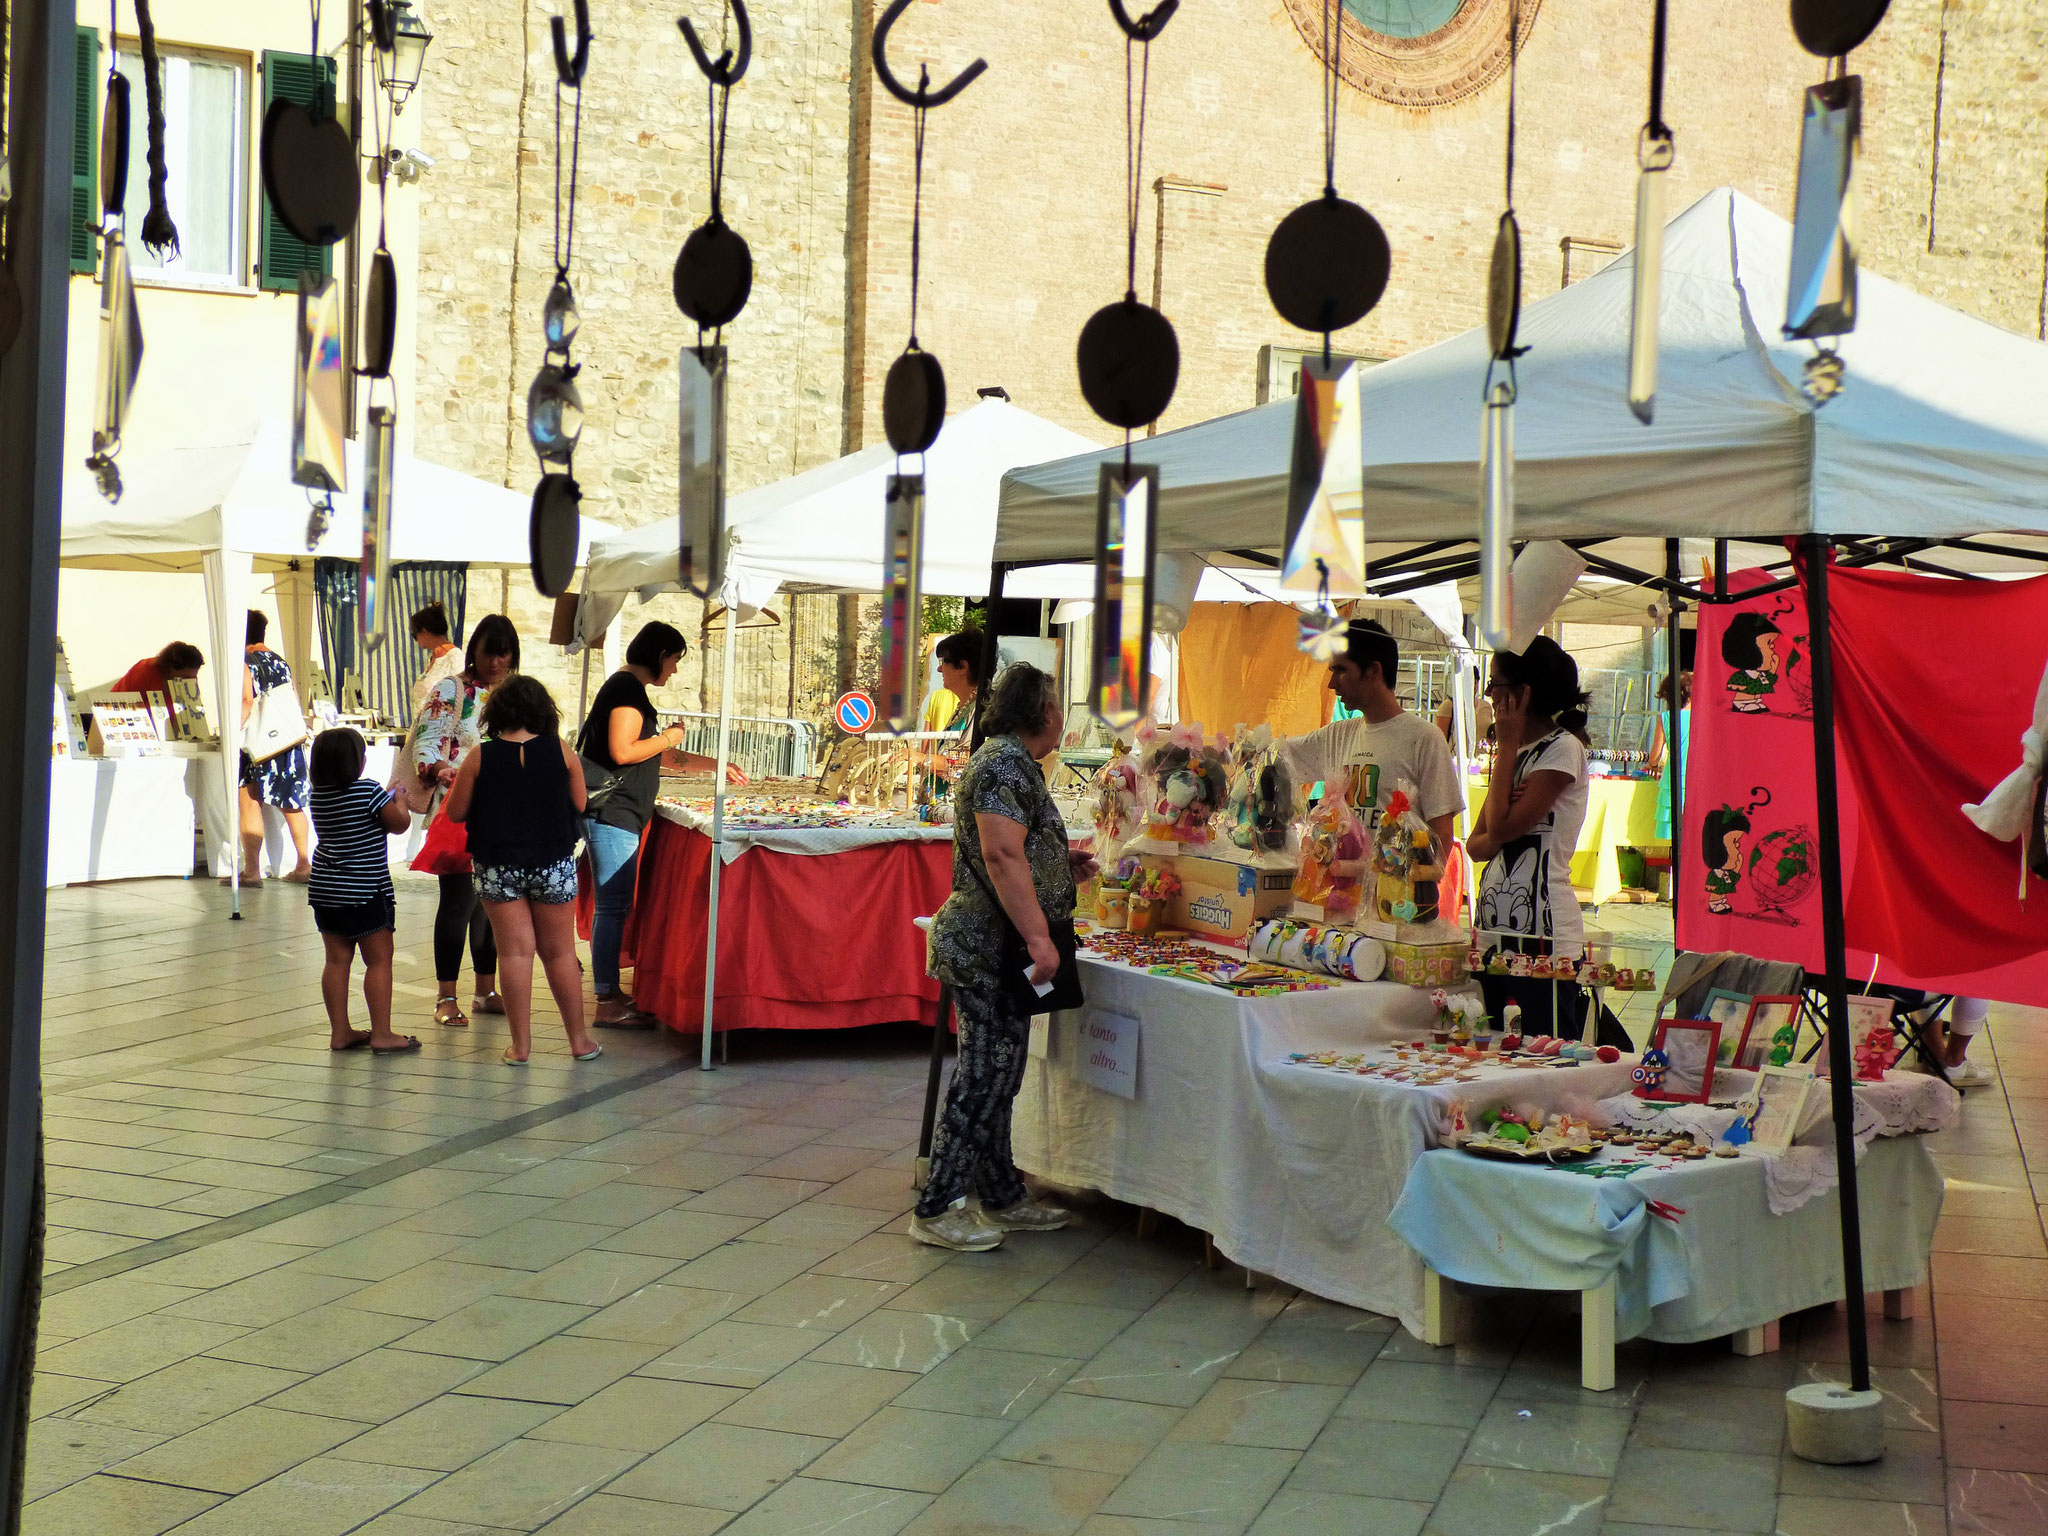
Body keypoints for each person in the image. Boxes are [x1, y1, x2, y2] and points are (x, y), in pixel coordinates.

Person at [915, 663, 1096, 1252]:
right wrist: (1042, 940)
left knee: (1000, 1074)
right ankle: (938, 1206)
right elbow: (999, 856)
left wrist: (1056, 866)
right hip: (990, 949)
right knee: (985, 1076)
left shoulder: (1011, 764)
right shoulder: (1002, 764)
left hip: (998, 946)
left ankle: (1002, 1194)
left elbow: (1016, 850)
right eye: (1059, 704)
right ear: (1045, 712)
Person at [577, 621, 746, 1028]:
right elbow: (624, 750)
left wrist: (716, 765)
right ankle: (606, 999)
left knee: (615, 906)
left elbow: (651, 754)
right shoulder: (625, 691)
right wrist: (669, 737)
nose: (674, 670)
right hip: (613, 813)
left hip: (618, 814)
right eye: (673, 660)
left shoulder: (629, 691)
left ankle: (609, 994)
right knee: (614, 907)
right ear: (658, 655)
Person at [446, 675, 600, 1065]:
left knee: (514, 954)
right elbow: (581, 804)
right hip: (552, 862)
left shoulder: (480, 756)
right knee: (561, 953)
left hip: (499, 865)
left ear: (497, 712)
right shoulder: (562, 752)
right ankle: (580, 1042)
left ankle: (520, 1047)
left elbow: (456, 811)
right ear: (543, 712)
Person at [1467, 637, 1603, 1039]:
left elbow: (1503, 830)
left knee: (1543, 1049)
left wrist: (1506, 749)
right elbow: (1477, 844)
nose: (1489, 694)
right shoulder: (1520, 754)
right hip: (1495, 931)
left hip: (1545, 934)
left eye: (1496, 684)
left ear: (1524, 693)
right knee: (1495, 1046)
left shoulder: (1561, 748)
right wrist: (1504, 797)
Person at [410, 613, 519, 1028]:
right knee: (458, 904)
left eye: (503, 653)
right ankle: (445, 996)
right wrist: (439, 768)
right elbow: (429, 738)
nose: (495, 661)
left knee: (492, 907)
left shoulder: (513, 694)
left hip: (503, 813)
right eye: (489, 652)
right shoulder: (453, 688)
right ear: (474, 649)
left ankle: (485, 990)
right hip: (458, 811)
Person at [1277, 619, 1463, 853]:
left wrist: (1414, 885)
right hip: (1340, 888)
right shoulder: (1337, 735)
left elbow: (1442, 836)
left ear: (1373, 670)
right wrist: (1225, 751)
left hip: (1396, 887)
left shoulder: (1424, 738)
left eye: (1341, 670)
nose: (1333, 684)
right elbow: (1275, 755)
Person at [307, 727, 418, 1055]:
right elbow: (398, 823)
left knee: (337, 961)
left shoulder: (318, 795)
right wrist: (399, 799)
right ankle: (382, 1033)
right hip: (366, 890)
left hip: (326, 891)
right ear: (356, 761)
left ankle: (340, 1032)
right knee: (379, 960)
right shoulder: (368, 791)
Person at [238, 611, 313, 884]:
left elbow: (246, 698)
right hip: (286, 741)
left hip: (258, 742)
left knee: (249, 800)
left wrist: (236, 729)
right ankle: (304, 862)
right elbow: (293, 697)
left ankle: (252, 871)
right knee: (292, 803)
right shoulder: (280, 661)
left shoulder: (244, 661)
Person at [1649, 670, 1693, 842]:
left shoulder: (1665, 718)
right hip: (1697, 779)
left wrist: (1653, 766)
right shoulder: (1701, 717)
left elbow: (1655, 755)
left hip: (1672, 780)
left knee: (1674, 839)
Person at [116, 641, 203, 719]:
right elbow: (127, 706)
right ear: (171, 669)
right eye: (185, 677)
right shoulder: (144, 671)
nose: (188, 682)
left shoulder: (187, 680)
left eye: (194, 677)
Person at [921, 630, 984, 734]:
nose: (939, 669)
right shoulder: (966, 706)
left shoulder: (981, 711)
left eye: (943, 662)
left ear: (962, 667)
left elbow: (969, 750)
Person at [409, 601, 464, 715]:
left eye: (415, 635)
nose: (416, 640)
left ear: (424, 632)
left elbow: (459, 700)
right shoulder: (431, 658)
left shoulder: (455, 657)